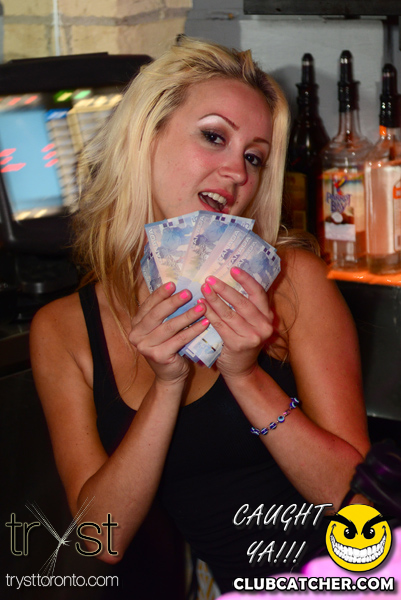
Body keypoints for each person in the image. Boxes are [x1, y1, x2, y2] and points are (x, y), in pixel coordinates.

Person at [30, 36, 371, 595]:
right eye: (214, 136)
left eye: (254, 157)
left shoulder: (291, 281)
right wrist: (167, 385)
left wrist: (246, 376)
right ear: (147, 136)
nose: (236, 171)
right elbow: (100, 540)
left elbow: (358, 504)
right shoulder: (63, 330)